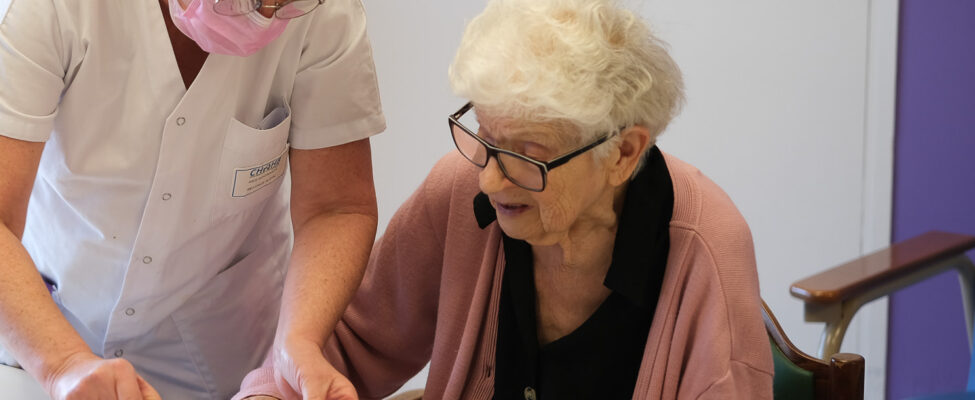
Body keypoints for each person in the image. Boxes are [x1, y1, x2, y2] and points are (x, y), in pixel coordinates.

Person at [235, 0, 774, 398]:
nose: (490, 181)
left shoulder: (706, 247)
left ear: (624, 153)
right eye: (486, 138)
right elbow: (342, 347)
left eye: (528, 155)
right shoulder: (459, 193)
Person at [0, 0, 385, 398]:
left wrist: (300, 342)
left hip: (210, 361)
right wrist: (64, 364)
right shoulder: (54, 8)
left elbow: (336, 207)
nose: (266, 12)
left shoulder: (327, 12)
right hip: (28, 344)